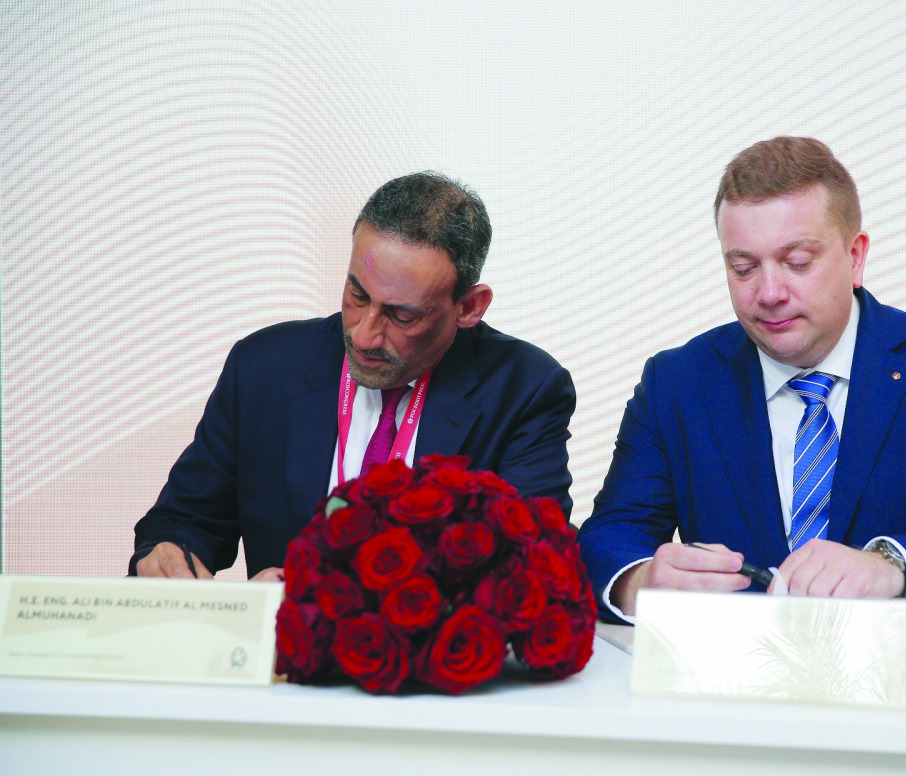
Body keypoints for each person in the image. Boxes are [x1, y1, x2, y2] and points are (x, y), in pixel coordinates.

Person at [578, 137, 906, 627]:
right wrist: (638, 581)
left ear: (855, 256)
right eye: (743, 267)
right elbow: (611, 534)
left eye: (798, 263)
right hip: (731, 677)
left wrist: (891, 567)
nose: (768, 293)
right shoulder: (677, 382)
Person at [133, 172, 575, 580]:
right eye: (357, 295)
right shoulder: (263, 368)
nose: (363, 336)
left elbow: (533, 565)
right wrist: (169, 554)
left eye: (401, 315)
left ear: (469, 307)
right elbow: (185, 520)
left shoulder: (525, 388)